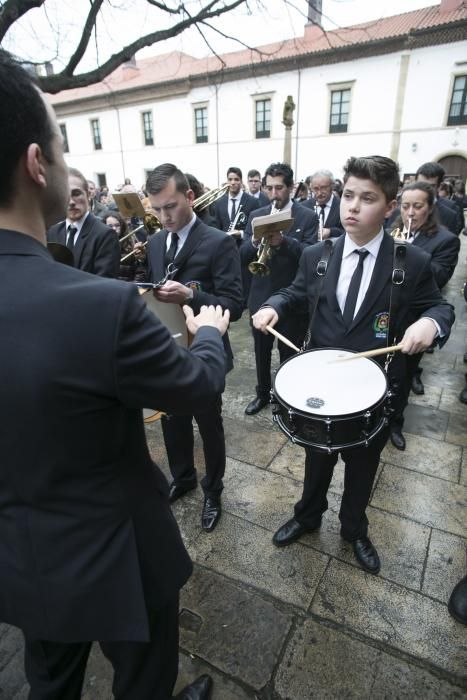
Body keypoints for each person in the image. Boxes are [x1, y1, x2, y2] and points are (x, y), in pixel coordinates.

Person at [0, 49, 229, 699]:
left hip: (20, 558)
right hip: (117, 556)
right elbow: (197, 386)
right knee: (143, 681)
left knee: (50, 684)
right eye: (62, 146)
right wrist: (208, 334)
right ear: (37, 163)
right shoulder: (96, 306)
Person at [253, 155, 454, 575]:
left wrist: (429, 323)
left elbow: (440, 306)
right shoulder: (317, 255)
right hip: (323, 386)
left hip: (375, 392)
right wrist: (273, 305)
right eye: (348, 196)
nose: (352, 207)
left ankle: (353, 529)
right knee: (316, 458)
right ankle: (307, 517)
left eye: (367, 198)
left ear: (390, 205)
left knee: (363, 467)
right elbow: (293, 292)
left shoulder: (409, 262)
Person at [144, 163, 243, 532]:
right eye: (156, 209)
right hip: (168, 351)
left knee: (209, 425)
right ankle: (183, 478)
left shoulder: (218, 241)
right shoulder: (155, 243)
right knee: (172, 423)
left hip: (206, 352)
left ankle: (213, 490)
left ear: (189, 197)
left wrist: (192, 294)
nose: (164, 217)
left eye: (170, 206)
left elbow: (235, 305)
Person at [241, 162, 319, 415]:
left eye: (279, 188)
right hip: (261, 294)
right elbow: (242, 254)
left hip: (292, 297)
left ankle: (284, 398)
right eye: (269, 188)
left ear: (291, 188)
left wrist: (285, 242)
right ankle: (262, 393)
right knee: (261, 352)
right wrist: (254, 240)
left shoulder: (307, 216)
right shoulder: (256, 215)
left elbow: (311, 255)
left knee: (288, 352)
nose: (274, 194)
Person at [388, 181, 460, 449]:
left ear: (430, 208)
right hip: (383, 315)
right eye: (405, 206)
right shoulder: (390, 230)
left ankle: (395, 423)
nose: (410, 212)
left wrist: (407, 255)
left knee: (403, 376)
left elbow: (441, 276)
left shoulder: (445, 239)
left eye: (417, 206)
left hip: (413, 320)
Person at [47, 168, 120, 277]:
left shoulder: (105, 235)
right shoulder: (53, 233)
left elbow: (104, 283)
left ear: (88, 195)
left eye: (76, 193)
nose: (71, 202)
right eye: (64, 195)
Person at [210, 166, 261, 238]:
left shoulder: (253, 202)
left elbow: (255, 228)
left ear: (241, 181)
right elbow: (217, 227)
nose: (233, 182)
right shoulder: (219, 203)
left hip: (243, 246)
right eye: (230, 179)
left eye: (236, 179)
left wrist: (241, 234)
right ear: (227, 181)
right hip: (225, 246)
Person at [103, 210, 146, 283]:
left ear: (122, 226)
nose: (114, 229)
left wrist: (130, 289)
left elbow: (140, 273)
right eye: (110, 226)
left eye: (117, 225)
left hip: (126, 288)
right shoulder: (100, 244)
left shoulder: (131, 242)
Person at [300, 169, 345, 238]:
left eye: (323, 188)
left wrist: (330, 232)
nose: (319, 193)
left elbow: (348, 232)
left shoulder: (342, 206)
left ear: (332, 186)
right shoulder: (303, 207)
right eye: (316, 189)